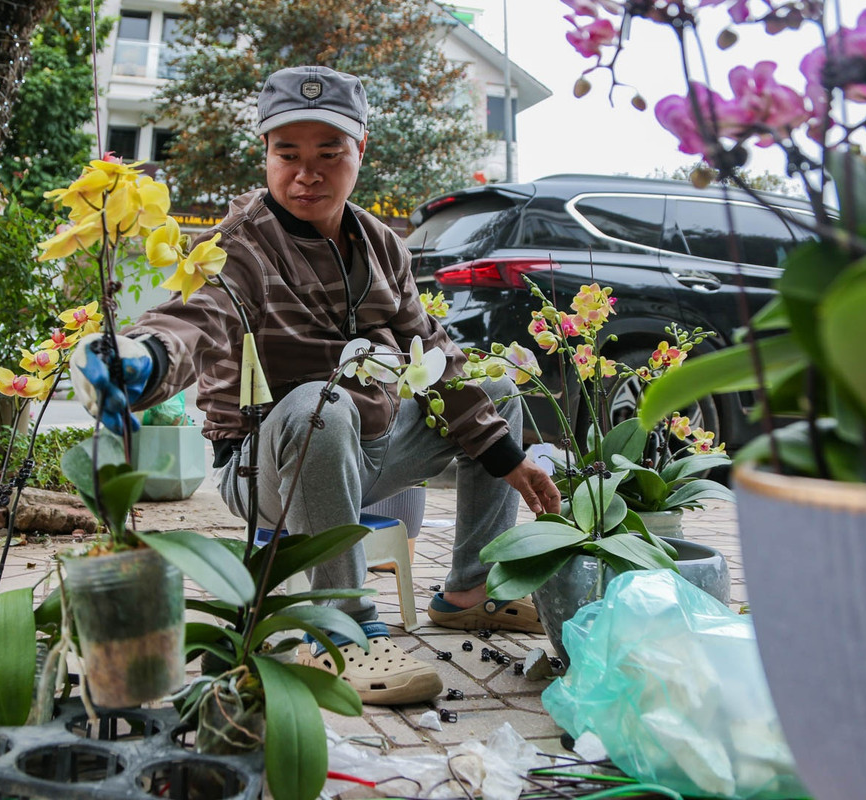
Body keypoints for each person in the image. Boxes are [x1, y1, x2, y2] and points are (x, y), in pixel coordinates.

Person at [72, 65, 561, 706]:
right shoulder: (239, 246)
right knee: (316, 404)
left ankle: (469, 592)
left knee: (495, 393)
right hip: (267, 466)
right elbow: (195, 320)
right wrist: (142, 357)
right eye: (288, 154)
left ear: (360, 152)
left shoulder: (382, 245)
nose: (308, 173)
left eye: (329, 154)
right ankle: (343, 629)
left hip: (370, 447)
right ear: (266, 156)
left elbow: (432, 349)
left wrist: (508, 457)